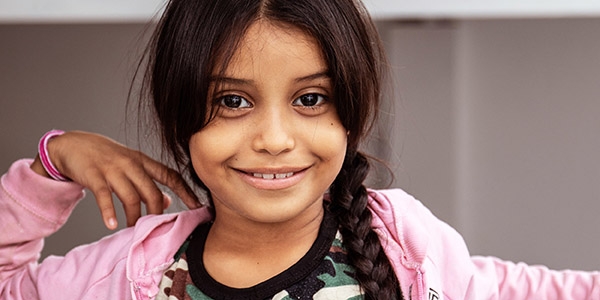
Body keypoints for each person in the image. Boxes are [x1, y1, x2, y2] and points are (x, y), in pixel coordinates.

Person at [1, 0, 600, 299]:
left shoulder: (409, 250)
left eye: (310, 99)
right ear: (180, 116)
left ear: (351, 116)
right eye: (233, 102)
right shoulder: (125, 274)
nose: (274, 139)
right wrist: (51, 167)